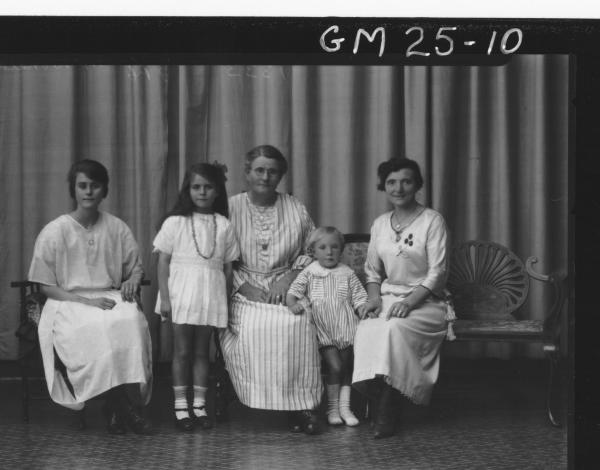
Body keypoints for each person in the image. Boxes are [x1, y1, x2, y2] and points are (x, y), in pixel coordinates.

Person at [28, 159, 153, 435]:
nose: (88, 192)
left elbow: (135, 266)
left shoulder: (117, 227)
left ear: (104, 190)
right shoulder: (55, 230)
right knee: (94, 327)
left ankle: (116, 405)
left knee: (129, 321)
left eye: (95, 186)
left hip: (110, 296)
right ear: (74, 190)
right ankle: (120, 406)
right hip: (67, 300)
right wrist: (86, 303)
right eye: (82, 186)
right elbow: (45, 285)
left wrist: (132, 279)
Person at [219, 144, 323, 435]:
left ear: (281, 176)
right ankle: (258, 399)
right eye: (260, 170)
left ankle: (302, 406)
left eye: (273, 171)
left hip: (287, 286)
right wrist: (243, 287)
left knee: (298, 323)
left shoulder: (294, 206)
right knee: (255, 328)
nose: (266, 176)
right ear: (248, 172)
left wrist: (289, 277)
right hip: (241, 287)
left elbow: (311, 250)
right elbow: (217, 256)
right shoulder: (229, 207)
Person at [352, 157, 456, 439]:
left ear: (417, 185)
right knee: (368, 327)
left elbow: (438, 273)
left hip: (427, 302)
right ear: (384, 187)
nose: (399, 188)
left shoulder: (432, 221)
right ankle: (384, 398)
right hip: (387, 296)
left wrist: (409, 302)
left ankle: (388, 409)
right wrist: (373, 299)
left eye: (406, 181)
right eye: (391, 182)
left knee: (393, 328)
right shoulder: (380, 224)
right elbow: (372, 270)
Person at [154, 162, 239, 432]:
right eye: (196, 187)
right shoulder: (175, 222)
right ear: (187, 190)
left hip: (209, 294)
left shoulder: (223, 224)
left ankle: (200, 405)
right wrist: (165, 298)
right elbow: (163, 262)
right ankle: (181, 406)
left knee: (203, 352)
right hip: (181, 293)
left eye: (208, 187)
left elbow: (228, 268)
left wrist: (223, 300)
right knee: (182, 351)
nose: (201, 192)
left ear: (217, 191)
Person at [286, 226, 368, 427]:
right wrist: (292, 304)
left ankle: (345, 408)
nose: (329, 252)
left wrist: (365, 309)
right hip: (324, 331)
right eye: (323, 248)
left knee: (347, 368)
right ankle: (332, 408)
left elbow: (359, 298)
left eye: (334, 247)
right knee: (335, 367)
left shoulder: (347, 273)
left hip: (347, 328)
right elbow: (292, 292)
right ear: (313, 251)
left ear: (341, 250)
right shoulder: (310, 272)